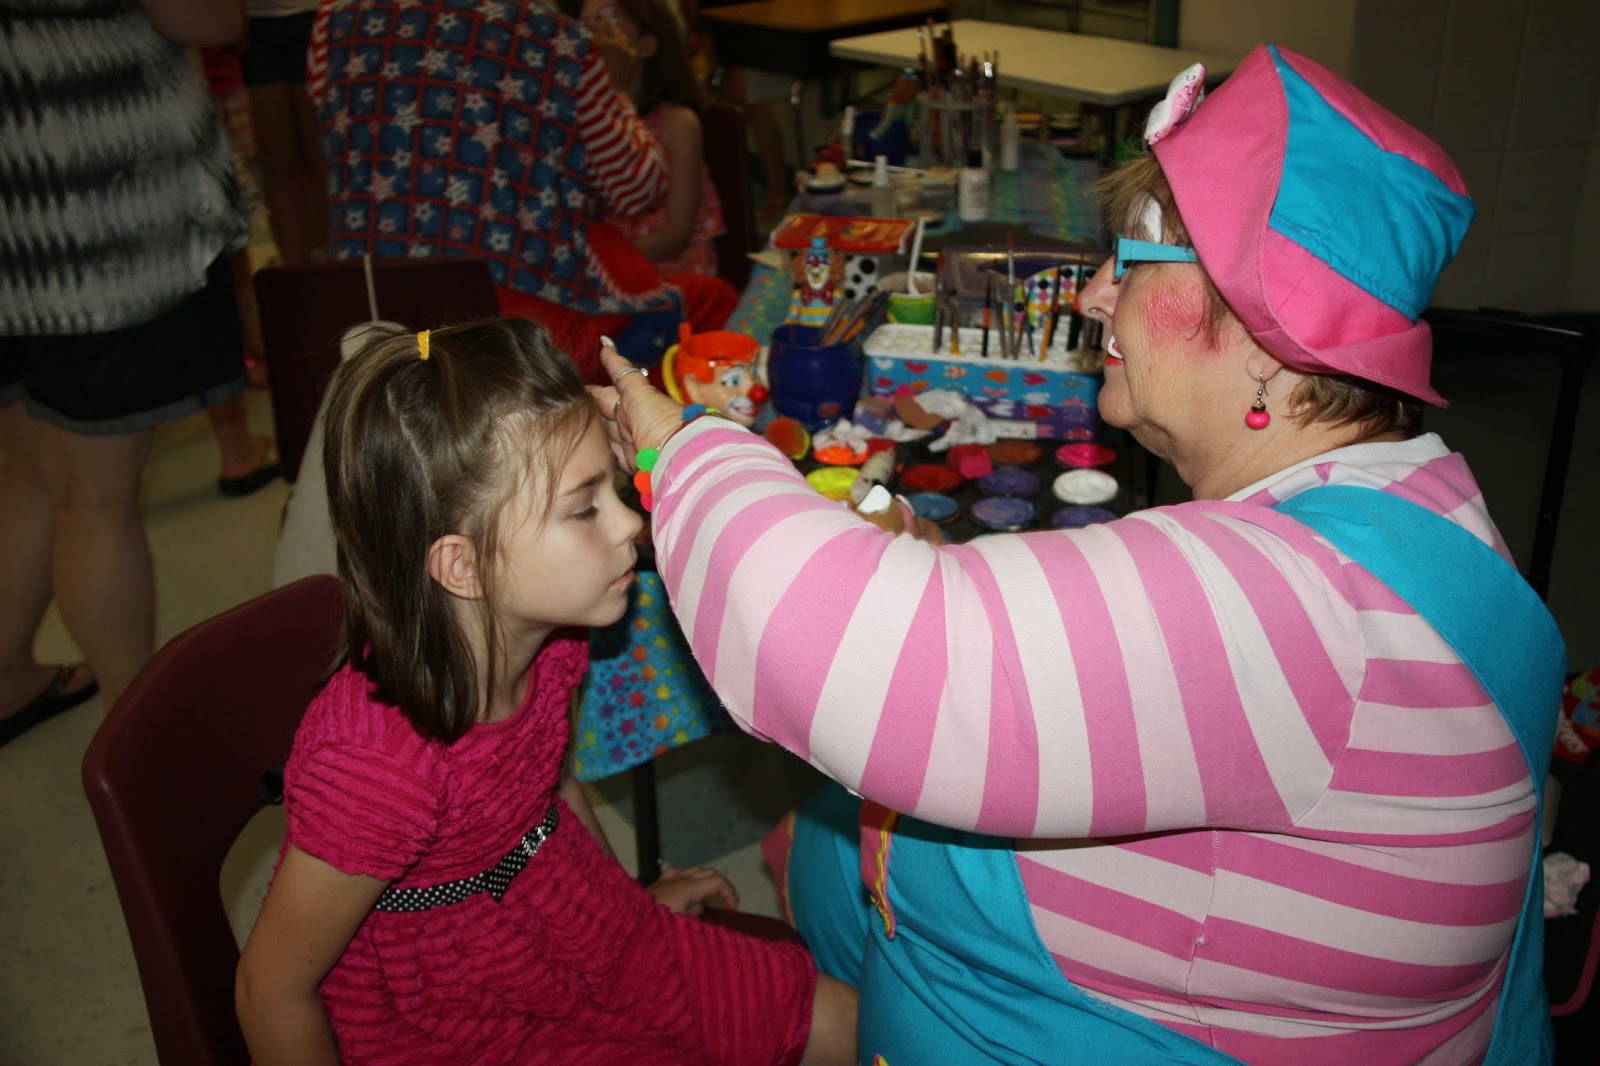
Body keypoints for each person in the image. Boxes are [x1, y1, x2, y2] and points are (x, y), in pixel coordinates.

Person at [595, 44, 1565, 1064]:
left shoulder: (1307, 603)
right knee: (829, 845)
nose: (1096, 294)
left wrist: (679, 448)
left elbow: (837, 641)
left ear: (1261, 333)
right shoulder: (1413, 496)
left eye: (1132, 261)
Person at [235, 318, 855, 1064]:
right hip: (451, 1014)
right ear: (463, 566)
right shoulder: (376, 769)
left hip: (562, 911)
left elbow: (544, 782)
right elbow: (271, 990)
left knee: (847, 1021)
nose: (629, 522)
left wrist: (622, 905)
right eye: (584, 507)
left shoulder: (552, 637)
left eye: (613, 490)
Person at [0, 0, 249, 742]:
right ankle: (140, 738)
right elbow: (205, 17)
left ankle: (6, 675)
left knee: (31, 472)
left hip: (15, 211)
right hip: (91, 216)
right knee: (95, 500)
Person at [308, 0, 736, 380]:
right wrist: (616, 83)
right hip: (508, 321)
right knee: (709, 303)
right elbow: (635, 189)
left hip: (367, 302)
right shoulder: (554, 39)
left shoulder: (335, 20)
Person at [585, 0, 726, 277]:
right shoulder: (585, 120)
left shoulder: (677, 124)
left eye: (608, 21)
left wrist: (608, 262)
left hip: (666, 268)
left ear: (646, 46)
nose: (595, 38)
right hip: (604, 266)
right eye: (587, 25)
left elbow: (677, 232)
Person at [237, 0, 327, 268]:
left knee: (323, 160)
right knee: (276, 162)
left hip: (315, 15)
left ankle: (333, 269)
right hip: (255, 22)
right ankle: (295, 273)